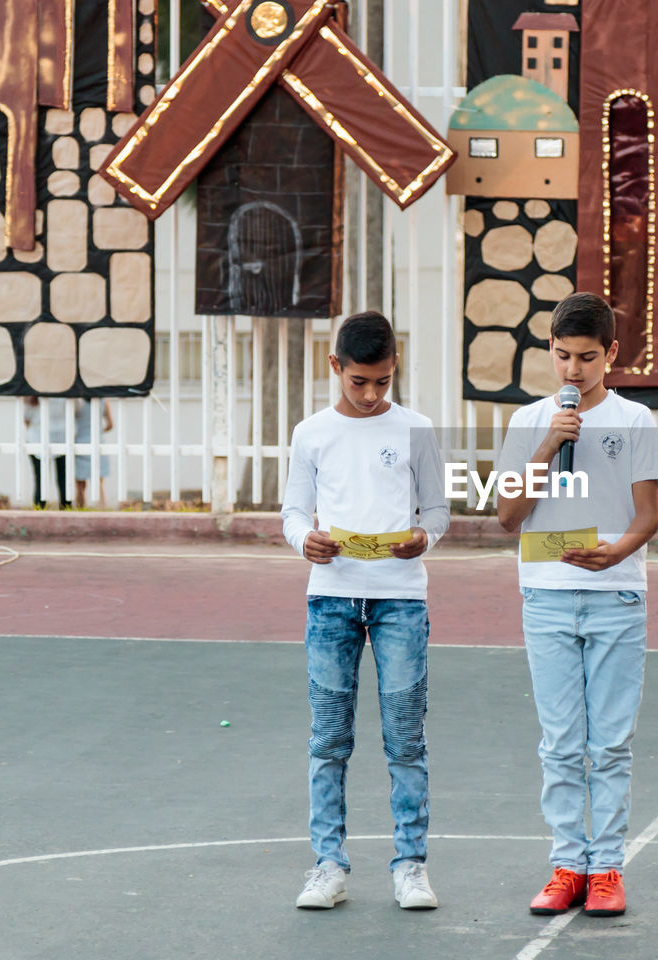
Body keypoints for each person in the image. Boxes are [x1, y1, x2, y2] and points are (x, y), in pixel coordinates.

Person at [496, 292, 658, 918]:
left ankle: (607, 869)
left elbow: (647, 516)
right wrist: (546, 446)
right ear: (549, 348)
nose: (573, 371)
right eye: (563, 356)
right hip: (545, 596)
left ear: (612, 355)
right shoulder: (527, 423)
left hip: (616, 596)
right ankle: (568, 863)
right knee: (561, 741)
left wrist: (616, 551)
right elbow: (508, 518)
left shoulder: (635, 420)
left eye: (588, 358)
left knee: (612, 742)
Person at [280, 311, 449, 911]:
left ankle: (411, 865)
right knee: (329, 738)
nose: (373, 394)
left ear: (394, 365)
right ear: (336, 369)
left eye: (382, 381)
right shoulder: (312, 433)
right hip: (330, 596)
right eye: (359, 382)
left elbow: (438, 510)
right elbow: (293, 513)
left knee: (406, 736)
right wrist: (308, 542)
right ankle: (328, 864)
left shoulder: (417, 430)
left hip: (400, 597)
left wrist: (422, 540)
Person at [23, 397, 68, 509]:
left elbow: (26, 418)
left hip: (38, 438)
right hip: (60, 437)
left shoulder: (32, 396)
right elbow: (77, 410)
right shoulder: (64, 394)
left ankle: (40, 507)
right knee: (63, 478)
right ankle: (65, 507)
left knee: (40, 478)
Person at [73, 398, 114, 507]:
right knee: (99, 484)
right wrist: (99, 431)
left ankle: (80, 511)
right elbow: (110, 425)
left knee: (80, 486)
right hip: (98, 442)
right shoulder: (104, 400)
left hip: (80, 443)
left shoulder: (78, 401)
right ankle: (103, 511)